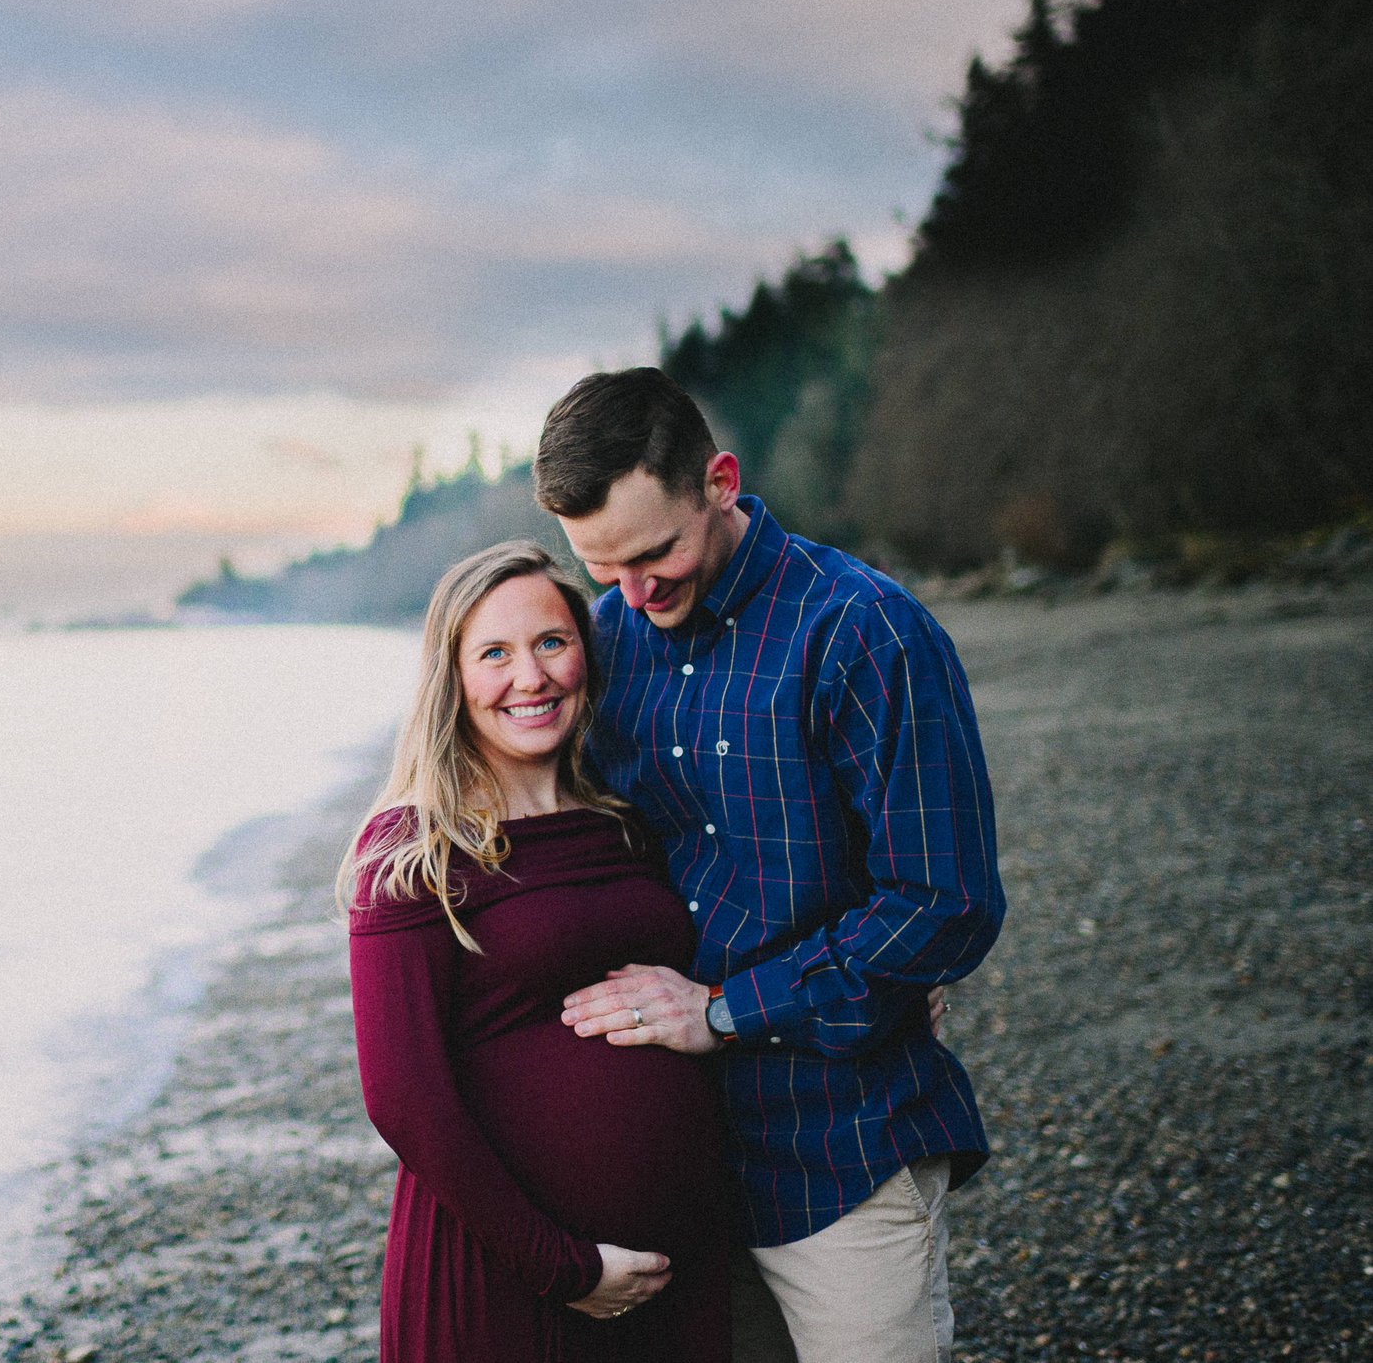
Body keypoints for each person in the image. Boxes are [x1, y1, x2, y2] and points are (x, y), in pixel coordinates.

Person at [533, 367, 1004, 1363]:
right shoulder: (609, 641)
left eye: (654, 552)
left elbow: (945, 903)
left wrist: (722, 1011)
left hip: (841, 1140)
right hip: (674, 1157)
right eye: (601, 567)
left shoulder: (862, 629)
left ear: (719, 480)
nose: (633, 593)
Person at [342, 539, 733, 1362]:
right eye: (495, 653)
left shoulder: (622, 821)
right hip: (508, 1281)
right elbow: (403, 1096)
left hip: (678, 1270)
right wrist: (563, 1266)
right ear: (452, 678)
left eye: (552, 642)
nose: (532, 676)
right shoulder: (413, 850)